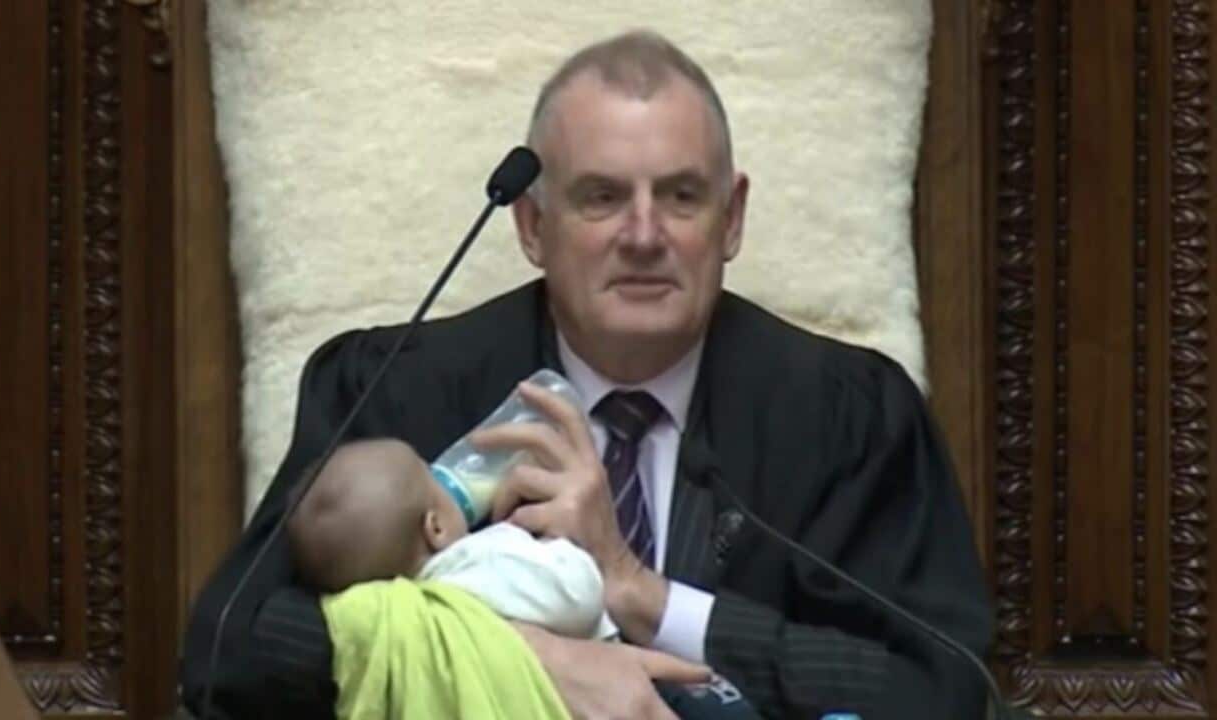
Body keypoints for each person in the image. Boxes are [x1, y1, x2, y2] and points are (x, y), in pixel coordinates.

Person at [181, 29, 992, 720]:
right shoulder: (394, 388)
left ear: (732, 218)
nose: (644, 235)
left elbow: (947, 687)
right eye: (602, 198)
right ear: (534, 224)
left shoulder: (848, 417)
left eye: (680, 196)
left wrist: (643, 595)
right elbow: (230, 646)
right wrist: (518, 659)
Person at [287, 436, 619, 641]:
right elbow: (580, 597)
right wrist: (553, 545)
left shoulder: (388, 631)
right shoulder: (484, 564)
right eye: (432, 476)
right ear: (436, 529)